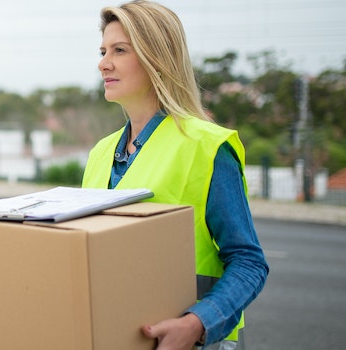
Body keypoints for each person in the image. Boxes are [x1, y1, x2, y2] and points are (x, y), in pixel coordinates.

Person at [81, 1, 269, 349]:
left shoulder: (206, 147)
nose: (103, 62)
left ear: (158, 58)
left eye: (119, 50)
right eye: (103, 50)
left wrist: (197, 324)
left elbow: (248, 262)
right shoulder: (99, 155)